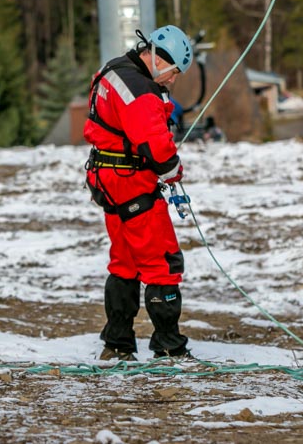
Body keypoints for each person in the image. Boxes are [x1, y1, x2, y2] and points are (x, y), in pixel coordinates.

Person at [84, 25, 194, 362]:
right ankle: (168, 345)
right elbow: (157, 150)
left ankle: (118, 340)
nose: (173, 81)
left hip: (107, 178)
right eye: (173, 72)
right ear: (159, 60)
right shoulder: (140, 90)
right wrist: (174, 170)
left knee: (125, 261)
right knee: (162, 262)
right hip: (130, 182)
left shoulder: (116, 69)